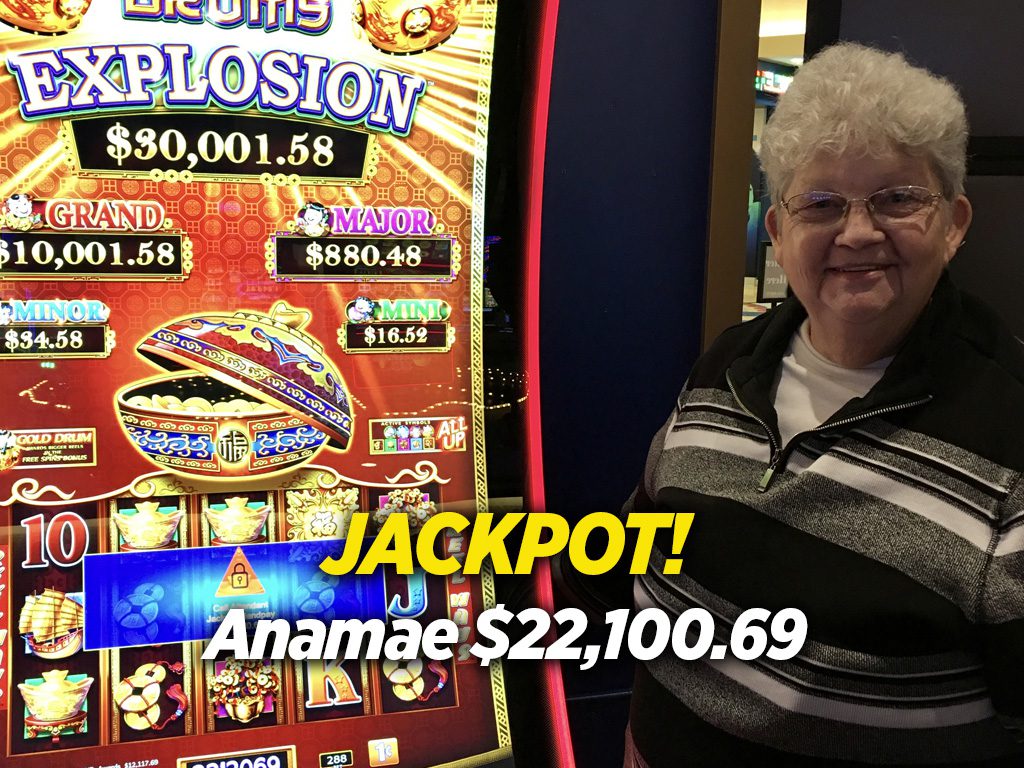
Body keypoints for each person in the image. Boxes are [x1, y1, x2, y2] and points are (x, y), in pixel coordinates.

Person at [623, 43, 1024, 767]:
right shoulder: (727, 362)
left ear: (955, 222)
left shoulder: (1010, 434)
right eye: (821, 203)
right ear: (779, 231)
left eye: (898, 198)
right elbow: (649, 554)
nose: (859, 232)